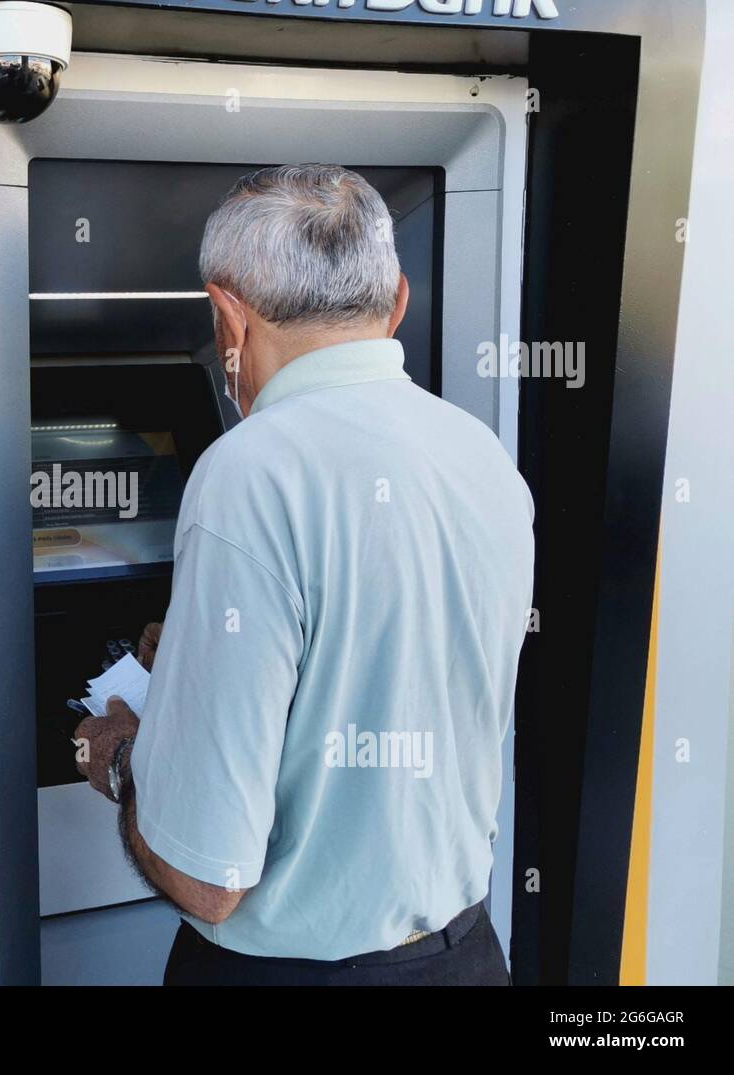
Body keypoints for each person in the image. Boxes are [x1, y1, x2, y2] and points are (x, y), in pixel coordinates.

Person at [73, 164, 534, 986]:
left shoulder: (246, 471)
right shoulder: (483, 457)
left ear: (226, 318)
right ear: (396, 299)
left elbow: (207, 878)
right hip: (465, 956)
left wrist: (121, 757)